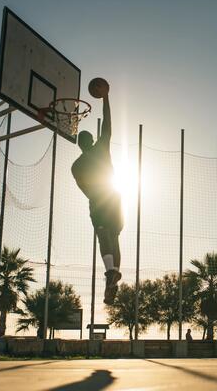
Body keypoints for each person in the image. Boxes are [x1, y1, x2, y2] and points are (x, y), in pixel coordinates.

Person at [71, 91, 123, 305]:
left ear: (79, 144)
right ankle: (113, 276)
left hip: (98, 201)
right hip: (113, 198)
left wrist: (95, 198)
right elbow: (108, 124)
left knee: (103, 237)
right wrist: (106, 97)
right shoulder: (101, 147)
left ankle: (110, 273)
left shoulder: (76, 166)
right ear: (91, 139)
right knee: (115, 238)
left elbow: (84, 189)